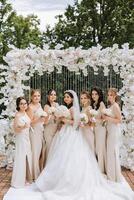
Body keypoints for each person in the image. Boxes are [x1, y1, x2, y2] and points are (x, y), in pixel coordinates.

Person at [4, 90, 134, 200]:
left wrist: (63, 119)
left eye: (67, 97)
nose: (65, 98)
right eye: (65, 97)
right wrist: (61, 119)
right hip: (64, 133)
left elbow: (74, 122)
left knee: (71, 156)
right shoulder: (67, 107)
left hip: (72, 134)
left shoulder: (72, 108)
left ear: (72, 99)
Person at [11, 97, 32, 188]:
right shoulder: (17, 115)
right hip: (21, 138)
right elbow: (15, 129)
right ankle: (18, 181)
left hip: (27, 137)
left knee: (26, 157)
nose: (23, 105)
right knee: (21, 157)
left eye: (25, 103)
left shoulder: (26, 113)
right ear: (18, 105)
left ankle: (24, 178)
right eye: (21, 104)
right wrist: (23, 127)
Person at [102, 88, 122, 182]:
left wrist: (107, 118)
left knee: (112, 152)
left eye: (111, 95)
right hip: (109, 130)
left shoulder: (115, 106)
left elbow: (119, 120)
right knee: (110, 152)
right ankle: (112, 175)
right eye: (108, 95)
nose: (109, 96)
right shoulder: (111, 105)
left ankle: (113, 177)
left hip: (114, 131)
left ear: (115, 96)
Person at [27, 89, 47, 180]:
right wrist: (39, 120)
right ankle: (34, 175)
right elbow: (29, 122)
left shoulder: (39, 105)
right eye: (35, 96)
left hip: (40, 130)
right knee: (35, 152)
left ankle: (38, 171)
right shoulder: (30, 107)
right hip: (34, 132)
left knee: (39, 152)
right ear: (31, 97)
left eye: (38, 96)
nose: (37, 97)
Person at [91, 87, 107, 174]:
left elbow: (105, 120)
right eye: (92, 94)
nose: (94, 96)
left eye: (96, 94)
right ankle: (97, 168)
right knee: (96, 149)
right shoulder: (94, 104)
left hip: (101, 129)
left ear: (99, 95)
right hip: (95, 129)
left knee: (100, 149)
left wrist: (95, 120)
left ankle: (101, 170)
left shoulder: (101, 104)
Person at [43, 89, 59, 158]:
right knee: (49, 149)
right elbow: (45, 122)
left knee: (55, 149)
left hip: (56, 129)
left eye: (54, 95)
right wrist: (50, 115)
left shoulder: (57, 105)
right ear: (48, 96)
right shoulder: (46, 106)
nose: (53, 96)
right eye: (51, 94)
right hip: (49, 129)